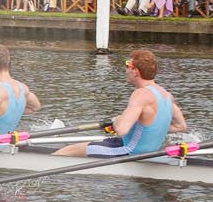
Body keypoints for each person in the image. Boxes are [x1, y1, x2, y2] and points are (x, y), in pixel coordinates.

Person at [58, 49, 189, 158]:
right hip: (148, 152)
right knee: (93, 143)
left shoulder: (141, 94)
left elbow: (121, 129)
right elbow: (180, 127)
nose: (126, 70)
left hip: (129, 151)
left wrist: (117, 120)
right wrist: (151, 128)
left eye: (128, 66)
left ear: (135, 72)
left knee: (65, 152)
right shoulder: (166, 95)